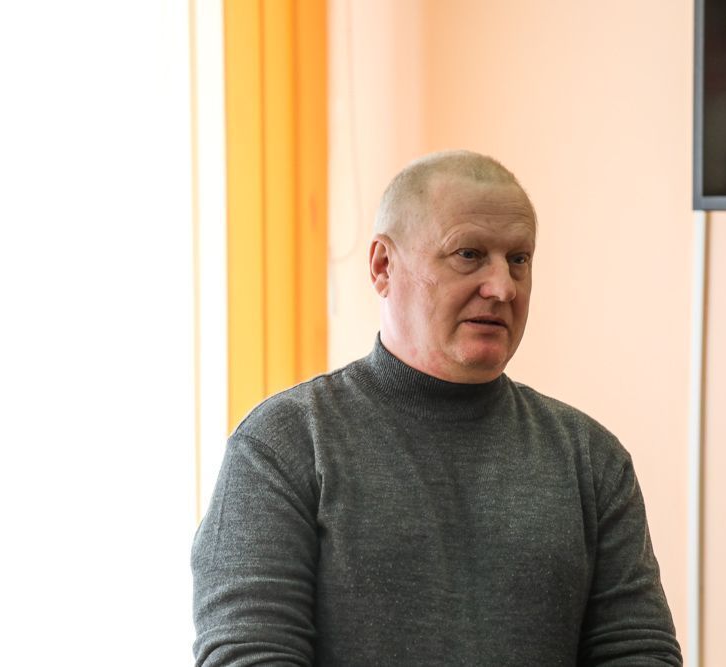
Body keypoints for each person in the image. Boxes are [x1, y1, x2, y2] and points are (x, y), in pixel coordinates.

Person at [191, 150, 683, 666]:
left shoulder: (590, 457)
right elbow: (249, 653)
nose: (502, 288)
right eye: (468, 254)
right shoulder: (285, 443)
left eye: (519, 259)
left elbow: (638, 652)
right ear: (383, 266)